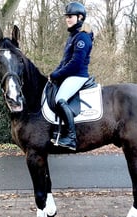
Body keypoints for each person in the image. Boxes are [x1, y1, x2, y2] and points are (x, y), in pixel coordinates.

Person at [49, 2, 94, 151]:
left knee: (60, 99)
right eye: (66, 17)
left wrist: (58, 74)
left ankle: (71, 138)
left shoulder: (82, 37)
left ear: (79, 17)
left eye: (70, 16)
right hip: (70, 75)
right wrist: (54, 74)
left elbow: (75, 63)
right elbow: (64, 62)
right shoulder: (72, 36)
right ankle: (58, 130)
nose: (67, 19)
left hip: (78, 76)